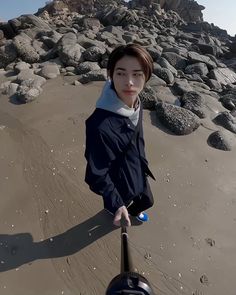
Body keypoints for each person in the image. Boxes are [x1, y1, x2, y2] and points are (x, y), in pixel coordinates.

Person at [84, 43, 155, 227]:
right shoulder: (99, 126)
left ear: (146, 76)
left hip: (138, 166)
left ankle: (133, 211)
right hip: (118, 181)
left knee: (147, 201)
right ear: (110, 75)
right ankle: (115, 210)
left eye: (137, 74)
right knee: (117, 204)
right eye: (121, 73)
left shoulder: (136, 102)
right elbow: (95, 174)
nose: (129, 82)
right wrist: (116, 203)